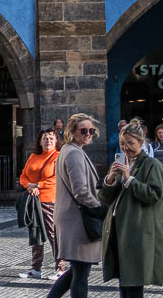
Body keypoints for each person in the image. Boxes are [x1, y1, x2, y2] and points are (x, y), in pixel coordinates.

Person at [100, 119, 163, 298]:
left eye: (130, 143)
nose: (126, 148)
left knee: (134, 284)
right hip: (120, 232)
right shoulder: (123, 163)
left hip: (138, 233)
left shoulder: (152, 165)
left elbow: (154, 195)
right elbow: (105, 198)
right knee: (124, 283)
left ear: (141, 142)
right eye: (122, 143)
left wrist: (130, 179)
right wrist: (110, 179)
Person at [47, 113, 104, 298]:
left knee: (78, 269)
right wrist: (101, 209)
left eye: (91, 130)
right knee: (81, 272)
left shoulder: (71, 150)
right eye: (84, 130)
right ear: (72, 131)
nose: (88, 133)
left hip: (72, 217)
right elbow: (81, 191)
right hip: (77, 219)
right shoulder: (73, 153)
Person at [19, 128, 61, 279]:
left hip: (49, 200)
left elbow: (58, 178)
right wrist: (29, 186)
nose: (48, 140)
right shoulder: (33, 156)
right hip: (33, 200)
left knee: (52, 234)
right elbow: (23, 176)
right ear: (40, 141)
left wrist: (38, 185)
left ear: (56, 140)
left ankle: (60, 268)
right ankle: (36, 268)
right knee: (35, 233)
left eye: (51, 138)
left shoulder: (58, 156)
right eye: (45, 138)